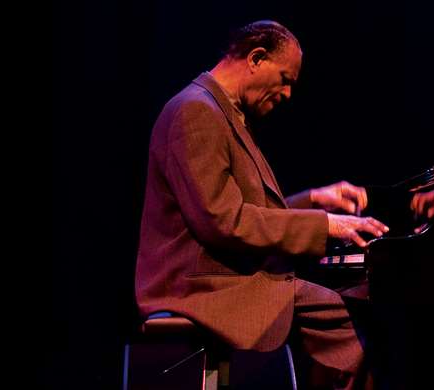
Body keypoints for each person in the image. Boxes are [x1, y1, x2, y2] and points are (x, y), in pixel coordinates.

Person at [134, 20, 388, 389]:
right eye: (285, 79)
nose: (287, 93)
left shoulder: (222, 113)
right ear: (256, 57)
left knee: (341, 309)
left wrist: (315, 200)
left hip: (221, 277)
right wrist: (326, 225)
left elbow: (242, 209)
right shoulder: (196, 112)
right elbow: (223, 221)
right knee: (347, 318)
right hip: (201, 287)